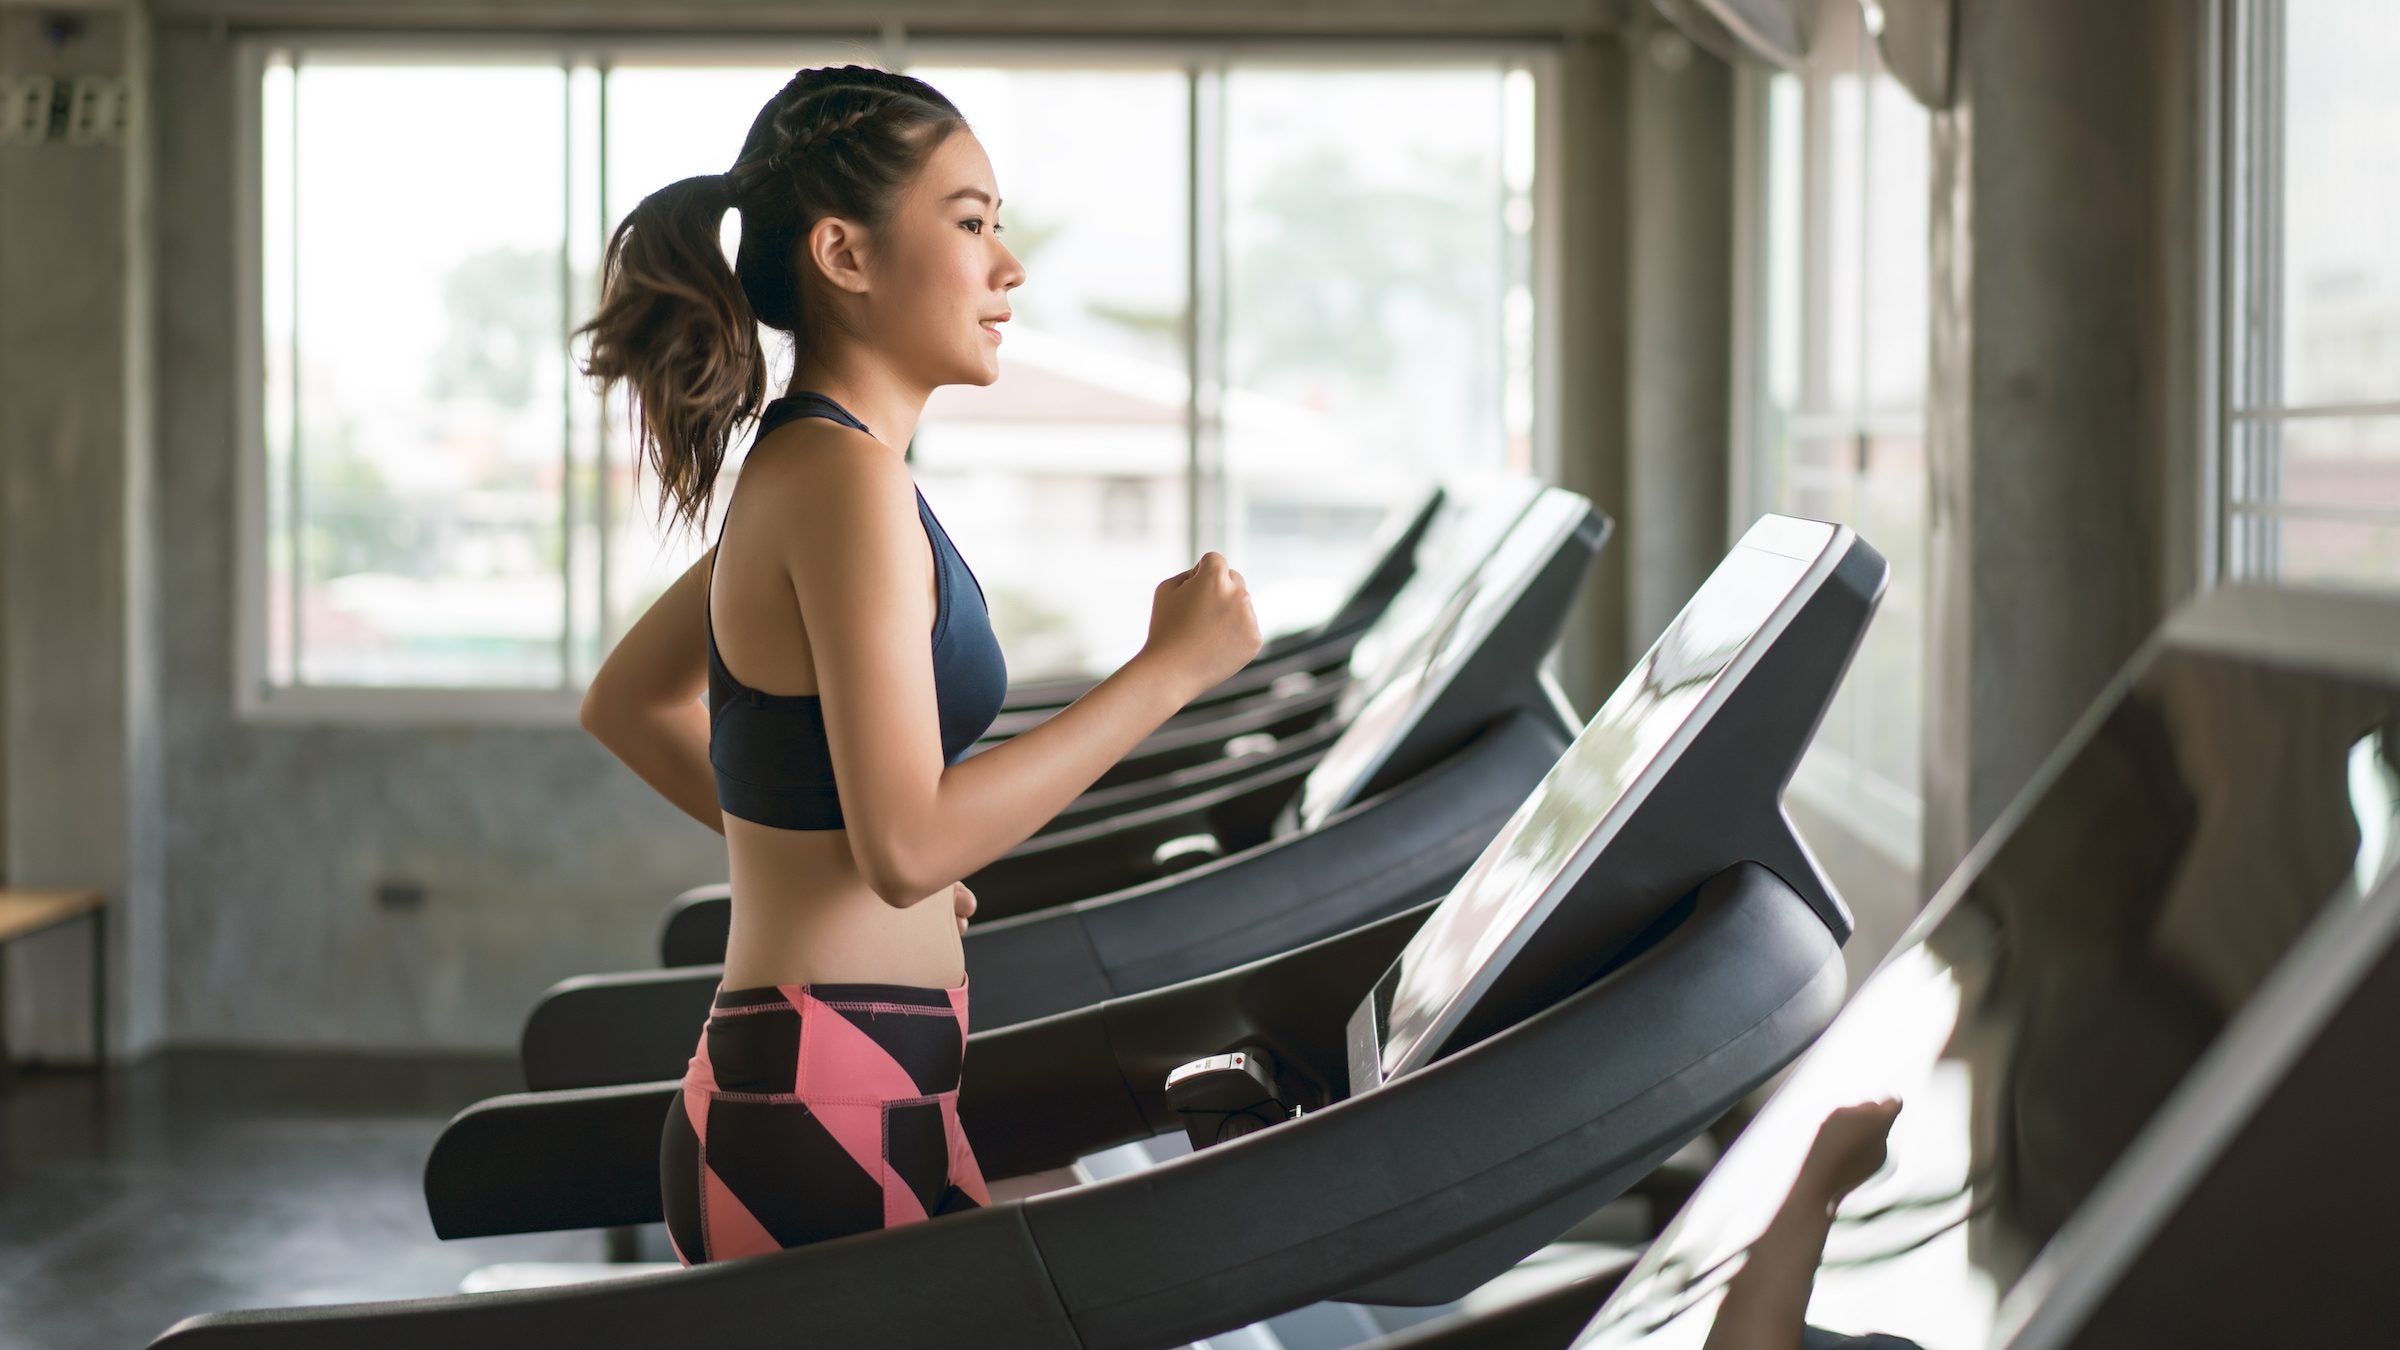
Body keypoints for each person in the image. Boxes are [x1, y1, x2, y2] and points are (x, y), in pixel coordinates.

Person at [572, 64, 1262, 1266]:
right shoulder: (840, 483)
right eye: (972, 223)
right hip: (824, 1098)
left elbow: (630, 703)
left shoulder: (824, 473)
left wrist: (805, 855)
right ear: (845, 254)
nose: (1011, 267)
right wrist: (1168, 673)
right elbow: (909, 850)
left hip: (851, 1078)